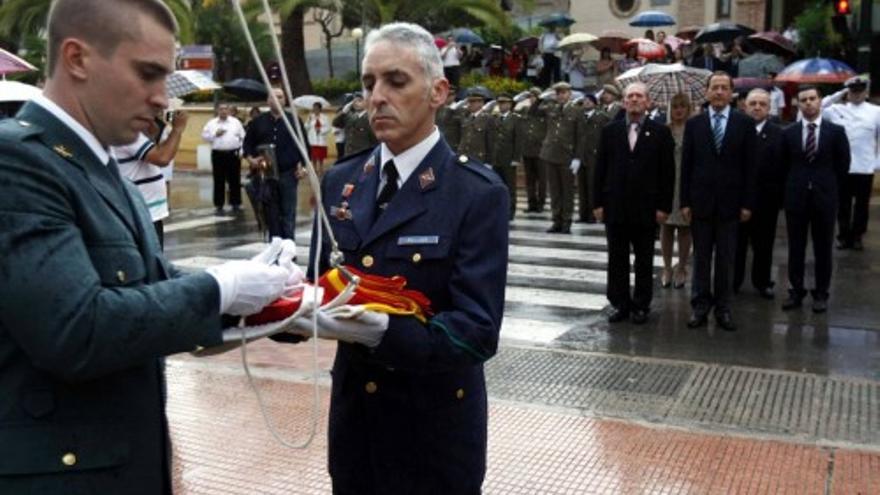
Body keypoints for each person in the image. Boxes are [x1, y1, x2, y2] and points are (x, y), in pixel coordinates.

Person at [0, 1, 295, 492]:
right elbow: (76, 330)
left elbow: (147, 286)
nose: (163, 98)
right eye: (148, 74)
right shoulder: (16, 159)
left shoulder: (98, 164)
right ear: (77, 58)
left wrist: (272, 302)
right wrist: (220, 288)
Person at [305, 22, 508, 494]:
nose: (377, 96)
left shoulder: (475, 193)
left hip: (431, 436)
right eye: (368, 82)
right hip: (358, 430)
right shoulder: (342, 181)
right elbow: (320, 287)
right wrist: (279, 299)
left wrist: (384, 332)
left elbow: (477, 332)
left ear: (438, 91)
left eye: (396, 81)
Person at [680, 71, 757, 331]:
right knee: (701, 258)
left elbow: (750, 168)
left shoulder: (744, 124)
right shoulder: (695, 124)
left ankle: (723, 308)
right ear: (707, 92)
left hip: (731, 205)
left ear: (731, 93)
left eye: (724, 88)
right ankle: (700, 306)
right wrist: (685, 202)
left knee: (726, 260)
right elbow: (687, 166)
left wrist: (747, 204)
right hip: (700, 203)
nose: (719, 92)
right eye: (715, 87)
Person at [594, 82, 675, 324]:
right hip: (616, 206)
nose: (635, 100)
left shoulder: (660, 132)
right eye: (630, 96)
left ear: (648, 102)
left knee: (643, 257)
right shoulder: (610, 131)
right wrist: (598, 203)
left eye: (639, 96)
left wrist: (664, 207)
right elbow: (600, 170)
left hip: (646, 208)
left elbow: (667, 173)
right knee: (617, 258)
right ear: (623, 102)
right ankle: (620, 303)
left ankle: (641, 304)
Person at [780, 85, 851, 313]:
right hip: (796, 198)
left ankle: (821, 293)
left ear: (820, 101)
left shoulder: (836, 132)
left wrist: (829, 190)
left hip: (824, 199)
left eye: (812, 98)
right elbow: (782, 166)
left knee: (823, 249)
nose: (808, 103)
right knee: (796, 248)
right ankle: (796, 291)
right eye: (804, 100)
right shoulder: (789, 132)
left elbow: (843, 165)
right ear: (798, 104)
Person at [733, 89, 785, 298]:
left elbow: (783, 168)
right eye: (753, 103)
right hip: (737, 198)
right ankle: (734, 281)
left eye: (762, 104)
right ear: (744, 105)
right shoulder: (735, 129)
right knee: (736, 244)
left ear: (769, 108)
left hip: (766, 200)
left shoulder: (779, 134)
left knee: (764, 244)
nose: (757, 107)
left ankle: (762, 282)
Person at [112, 109, 188, 248]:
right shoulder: (129, 135)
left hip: (146, 209)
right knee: (151, 263)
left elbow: (150, 153)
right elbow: (162, 157)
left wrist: (152, 134)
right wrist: (177, 129)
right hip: (143, 211)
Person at [822, 75, 880, 251]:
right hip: (842, 166)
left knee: (862, 205)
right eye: (853, 91)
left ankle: (857, 236)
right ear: (848, 92)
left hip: (865, 165)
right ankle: (843, 236)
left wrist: (878, 162)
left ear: (865, 92)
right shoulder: (836, 110)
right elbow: (820, 107)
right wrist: (839, 93)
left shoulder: (876, 111)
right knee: (843, 204)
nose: (856, 95)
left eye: (859, 91)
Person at [243, 88, 309, 240]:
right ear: (268, 101)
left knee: (288, 213)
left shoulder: (294, 121)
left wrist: (304, 167)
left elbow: (304, 146)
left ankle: (289, 249)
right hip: (266, 175)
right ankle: (275, 246)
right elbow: (247, 146)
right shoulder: (258, 122)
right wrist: (251, 159)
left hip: (288, 173)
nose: (277, 100)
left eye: (280, 97)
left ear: (285, 100)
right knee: (271, 213)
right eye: (274, 97)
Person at [539, 81, 584, 233]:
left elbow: (580, 136)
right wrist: (543, 97)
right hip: (550, 154)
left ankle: (566, 222)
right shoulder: (551, 108)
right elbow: (534, 111)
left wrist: (577, 157)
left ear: (569, 94)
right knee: (554, 191)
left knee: (567, 191)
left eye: (563, 93)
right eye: (558, 93)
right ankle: (556, 220)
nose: (560, 96)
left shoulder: (577, 110)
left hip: (567, 156)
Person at [660, 93, 693, 289]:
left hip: (686, 181)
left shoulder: (694, 129)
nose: (678, 110)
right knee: (666, 226)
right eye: (675, 106)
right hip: (667, 181)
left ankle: (681, 267)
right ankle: (666, 267)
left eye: (682, 106)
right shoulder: (664, 130)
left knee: (684, 227)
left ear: (688, 109)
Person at [200, 103, 246, 215]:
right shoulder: (211, 124)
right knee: (218, 179)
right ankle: (219, 204)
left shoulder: (235, 122)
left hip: (233, 153)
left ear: (229, 110)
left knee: (234, 179)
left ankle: (236, 203)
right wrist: (215, 134)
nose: (223, 111)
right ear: (217, 111)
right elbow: (204, 136)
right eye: (221, 109)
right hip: (218, 154)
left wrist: (241, 151)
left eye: (226, 109)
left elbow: (243, 137)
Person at [574, 94, 609, 223]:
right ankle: (583, 214)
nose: (586, 103)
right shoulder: (579, 117)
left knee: (592, 187)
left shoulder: (602, 117)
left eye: (589, 101)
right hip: (581, 156)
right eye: (585, 101)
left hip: (594, 156)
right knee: (582, 188)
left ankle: (592, 214)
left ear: (595, 103)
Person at [490, 93, 522, 220]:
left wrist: (516, 158)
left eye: (504, 103)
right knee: (497, 186)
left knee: (510, 187)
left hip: (509, 158)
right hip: (496, 158)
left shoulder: (515, 119)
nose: (502, 105)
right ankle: (499, 210)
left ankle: (510, 211)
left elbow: (518, 140)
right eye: (500, 103)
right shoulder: (495, 118)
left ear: (510, 104)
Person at [520, 87, 549, 213]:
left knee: (542, 179)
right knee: (530, 180)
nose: (531, 99)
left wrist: (540, 101)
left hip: (540, 150)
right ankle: (531, 203)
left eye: (534, 96)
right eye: (530, 96)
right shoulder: (525, 110)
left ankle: (541, 203)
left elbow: (537, 111)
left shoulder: (544, 110)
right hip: (527, 149)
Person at [333, 92, 377, 158]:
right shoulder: (349, 116)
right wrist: (344, 111)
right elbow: (335, 123)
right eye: (354, 101)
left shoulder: (370, 118)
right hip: (348, 154)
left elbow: (375, 140)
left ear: (366, 102)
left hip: (363, 156)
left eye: (359, 101)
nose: (356, 103)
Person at [457, 90, 494, 165]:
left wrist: (489, 162)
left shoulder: (488, 119)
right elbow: (463, 138)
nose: (469, 104)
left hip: (479, 158)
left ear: (481, 103)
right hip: (464, 157)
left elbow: (491, 142)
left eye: (473, 102)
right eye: (469, 102)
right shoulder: (467, 117)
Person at [306, 101, 330, 174]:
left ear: (320, 109)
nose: (315, 110)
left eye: (316, 108)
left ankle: (321, 168)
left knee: (320, 156)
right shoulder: (310, 117)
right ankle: (314, 168)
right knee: (313, 156)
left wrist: (321, 130)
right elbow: (306, 127)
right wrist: (309, 121)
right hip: (313, 139)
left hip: (321, 139)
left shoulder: (325, 117)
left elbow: (328, 128)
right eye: (314, 108)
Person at [435, 87, 463, 151]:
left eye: (450, 95)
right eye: (446, 94)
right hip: (439, 141)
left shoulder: (459, 110)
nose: (447, 97)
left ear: (454, 95)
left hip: (453, 144)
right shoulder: (439, 109)